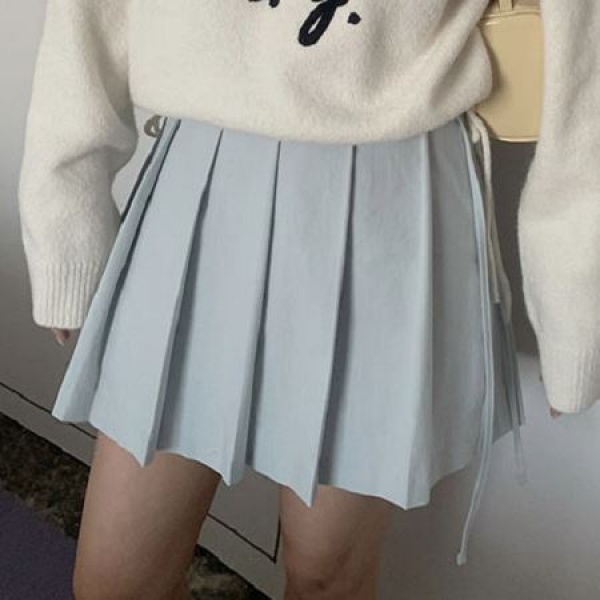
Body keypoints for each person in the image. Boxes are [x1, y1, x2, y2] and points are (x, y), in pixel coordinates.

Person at [17, 1, 600, 599]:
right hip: (204, 177)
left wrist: (573, 311)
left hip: (392, 191)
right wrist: (66, 216)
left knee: (328, 577)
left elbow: (584, 70)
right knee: (117, 581)